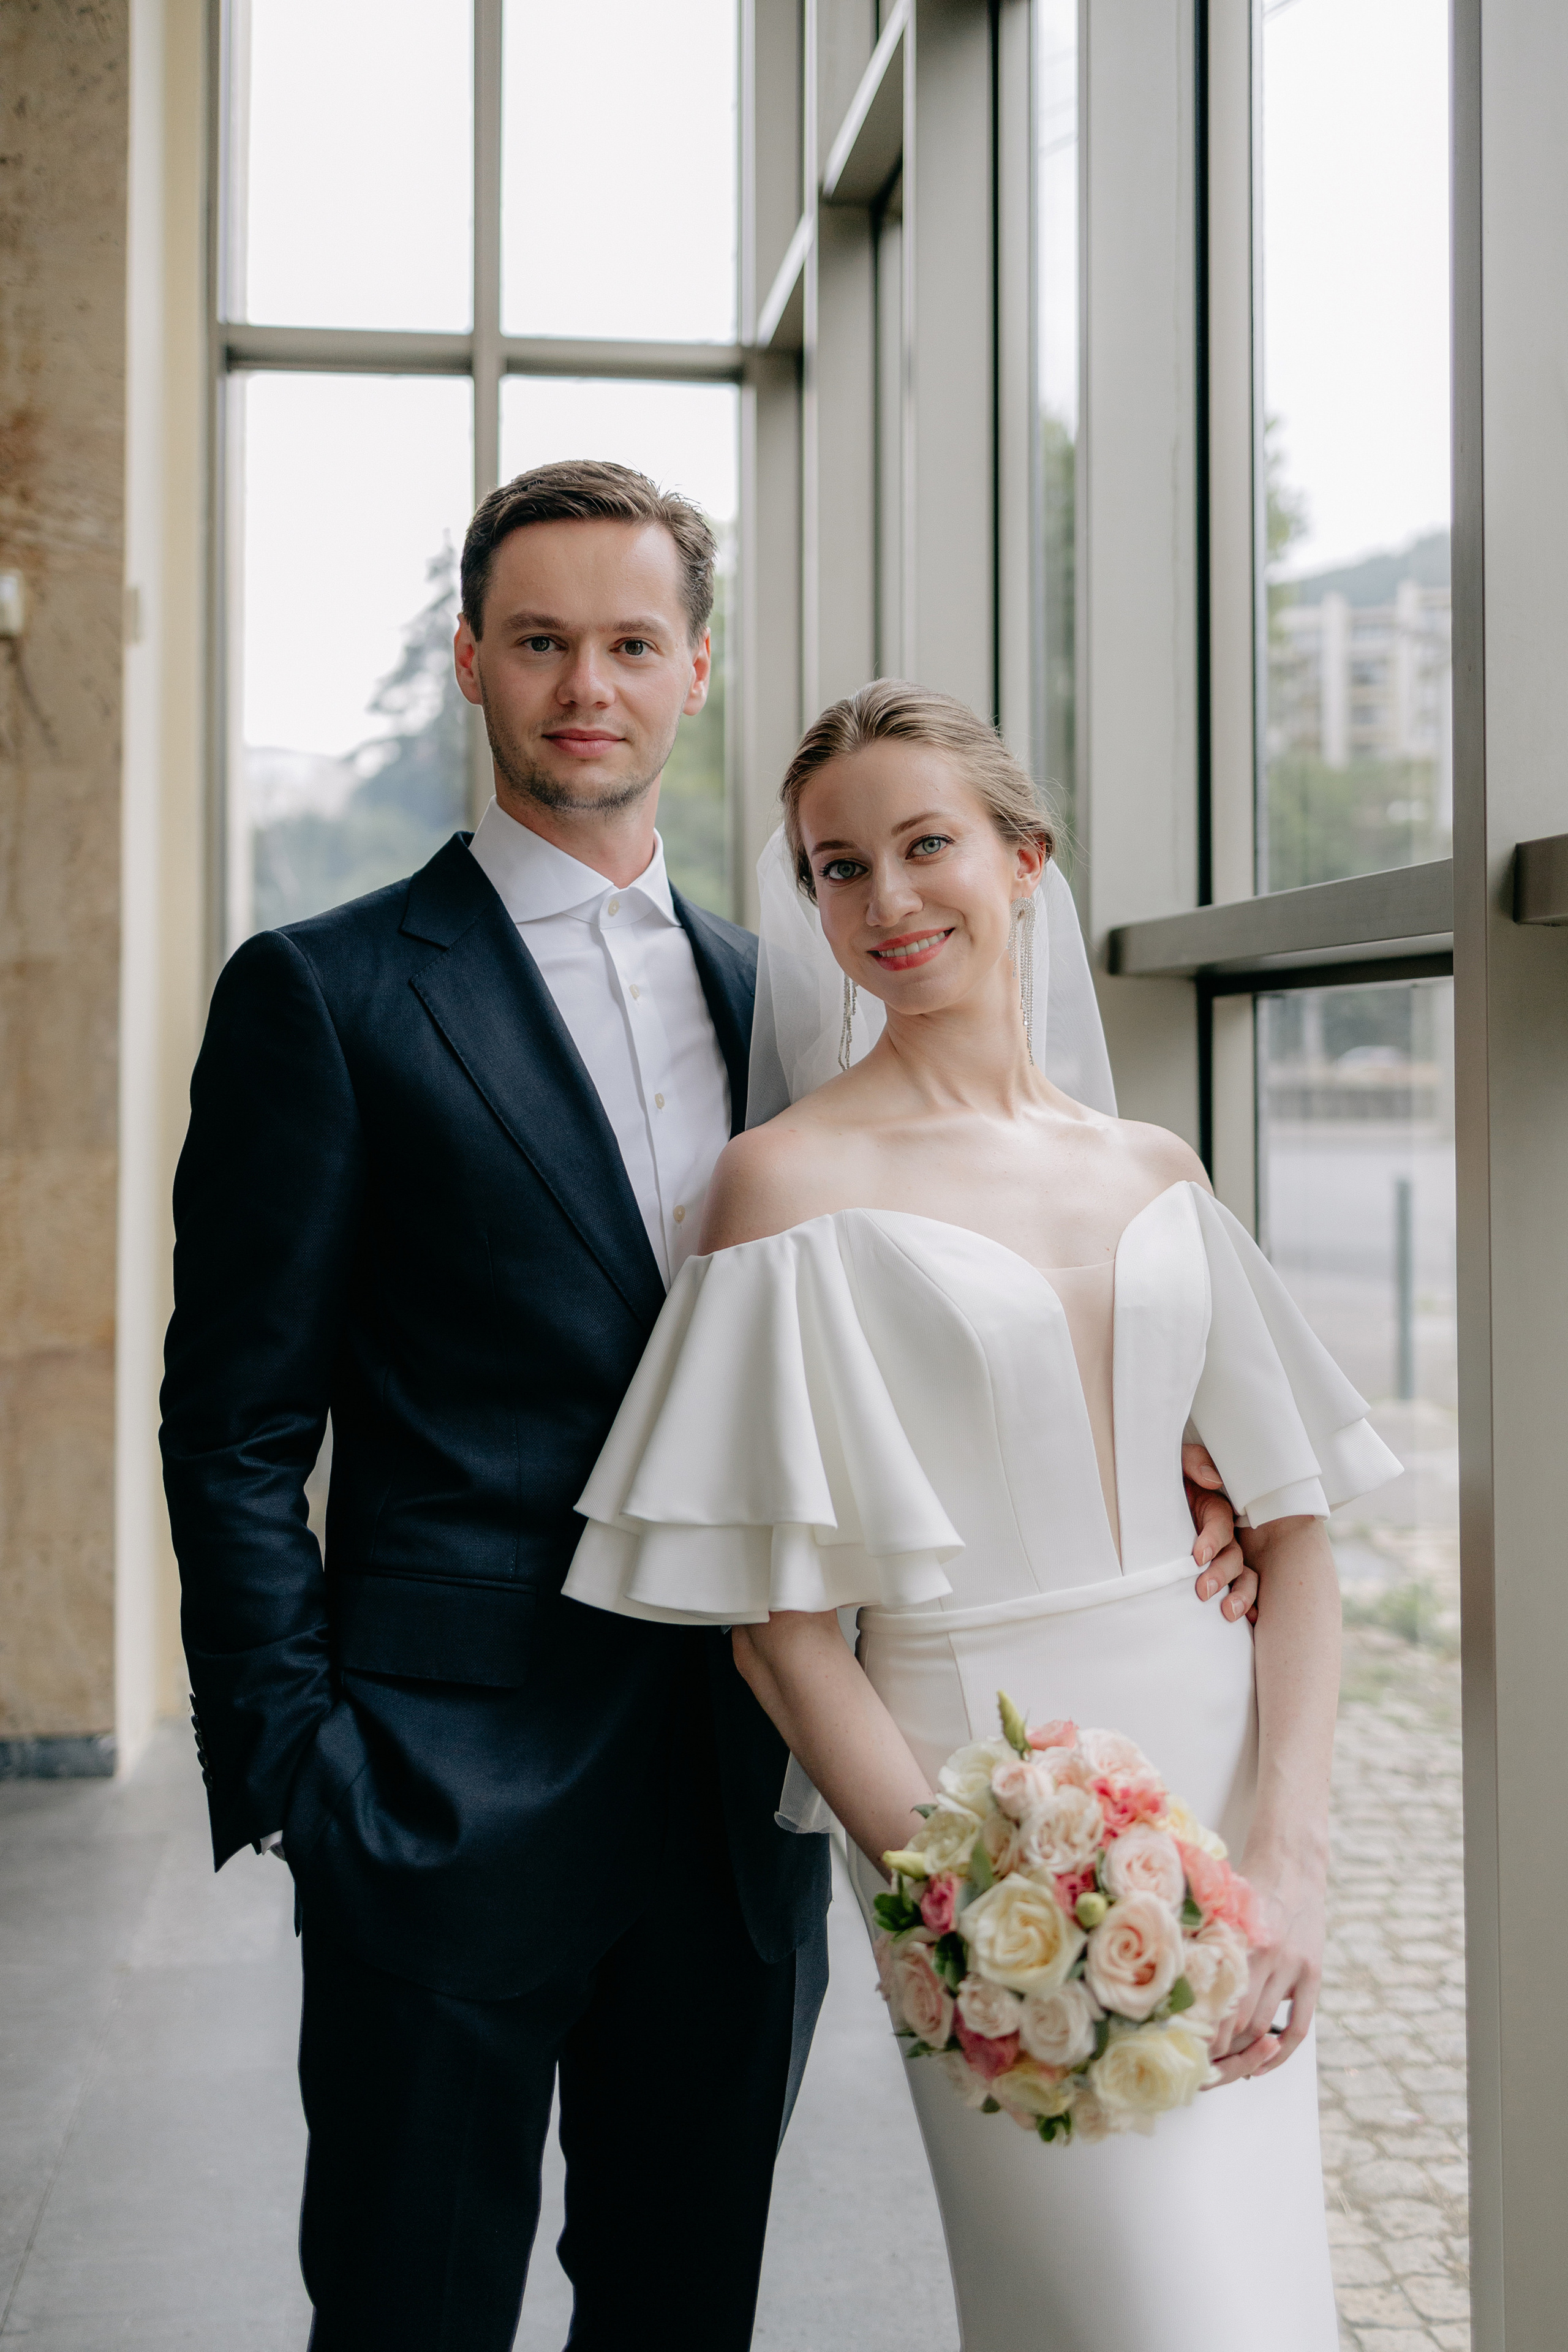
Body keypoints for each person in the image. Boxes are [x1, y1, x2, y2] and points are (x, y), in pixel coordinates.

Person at [161, 467, 1252, 2350]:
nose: (588, 682)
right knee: (407, 2311)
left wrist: (1164, 1456)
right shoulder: (323, 996)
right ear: (472, 667)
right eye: (542, 642)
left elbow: (920, 1319)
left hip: (742, 1799)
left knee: (681, 2312)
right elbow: (237, 1424)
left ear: (694, 671)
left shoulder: (798, 1000)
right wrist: (299, 1774)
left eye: (631, 643)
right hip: (435, 1792)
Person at [563, 679, 1401, 2351]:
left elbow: (1295, 1528)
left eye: (925, 845)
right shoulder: (782, 1183)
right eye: (835, 867)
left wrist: (1294, 1862)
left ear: (1026, 861)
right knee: (1124, 2313)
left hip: (1218, 1769)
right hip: (974, 1799)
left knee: (1253, 2303)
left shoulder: (1154, 1166)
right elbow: (783, 1642)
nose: (885, 902)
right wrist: (962, 1916)